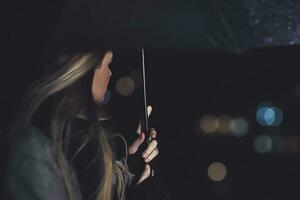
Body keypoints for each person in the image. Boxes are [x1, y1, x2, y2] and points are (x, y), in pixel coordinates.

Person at [5, 51, 170, 200]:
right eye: (108, 64)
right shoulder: (34, 151)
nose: (110, 73)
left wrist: (134, 159)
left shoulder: (84, 140)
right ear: (86, 68)